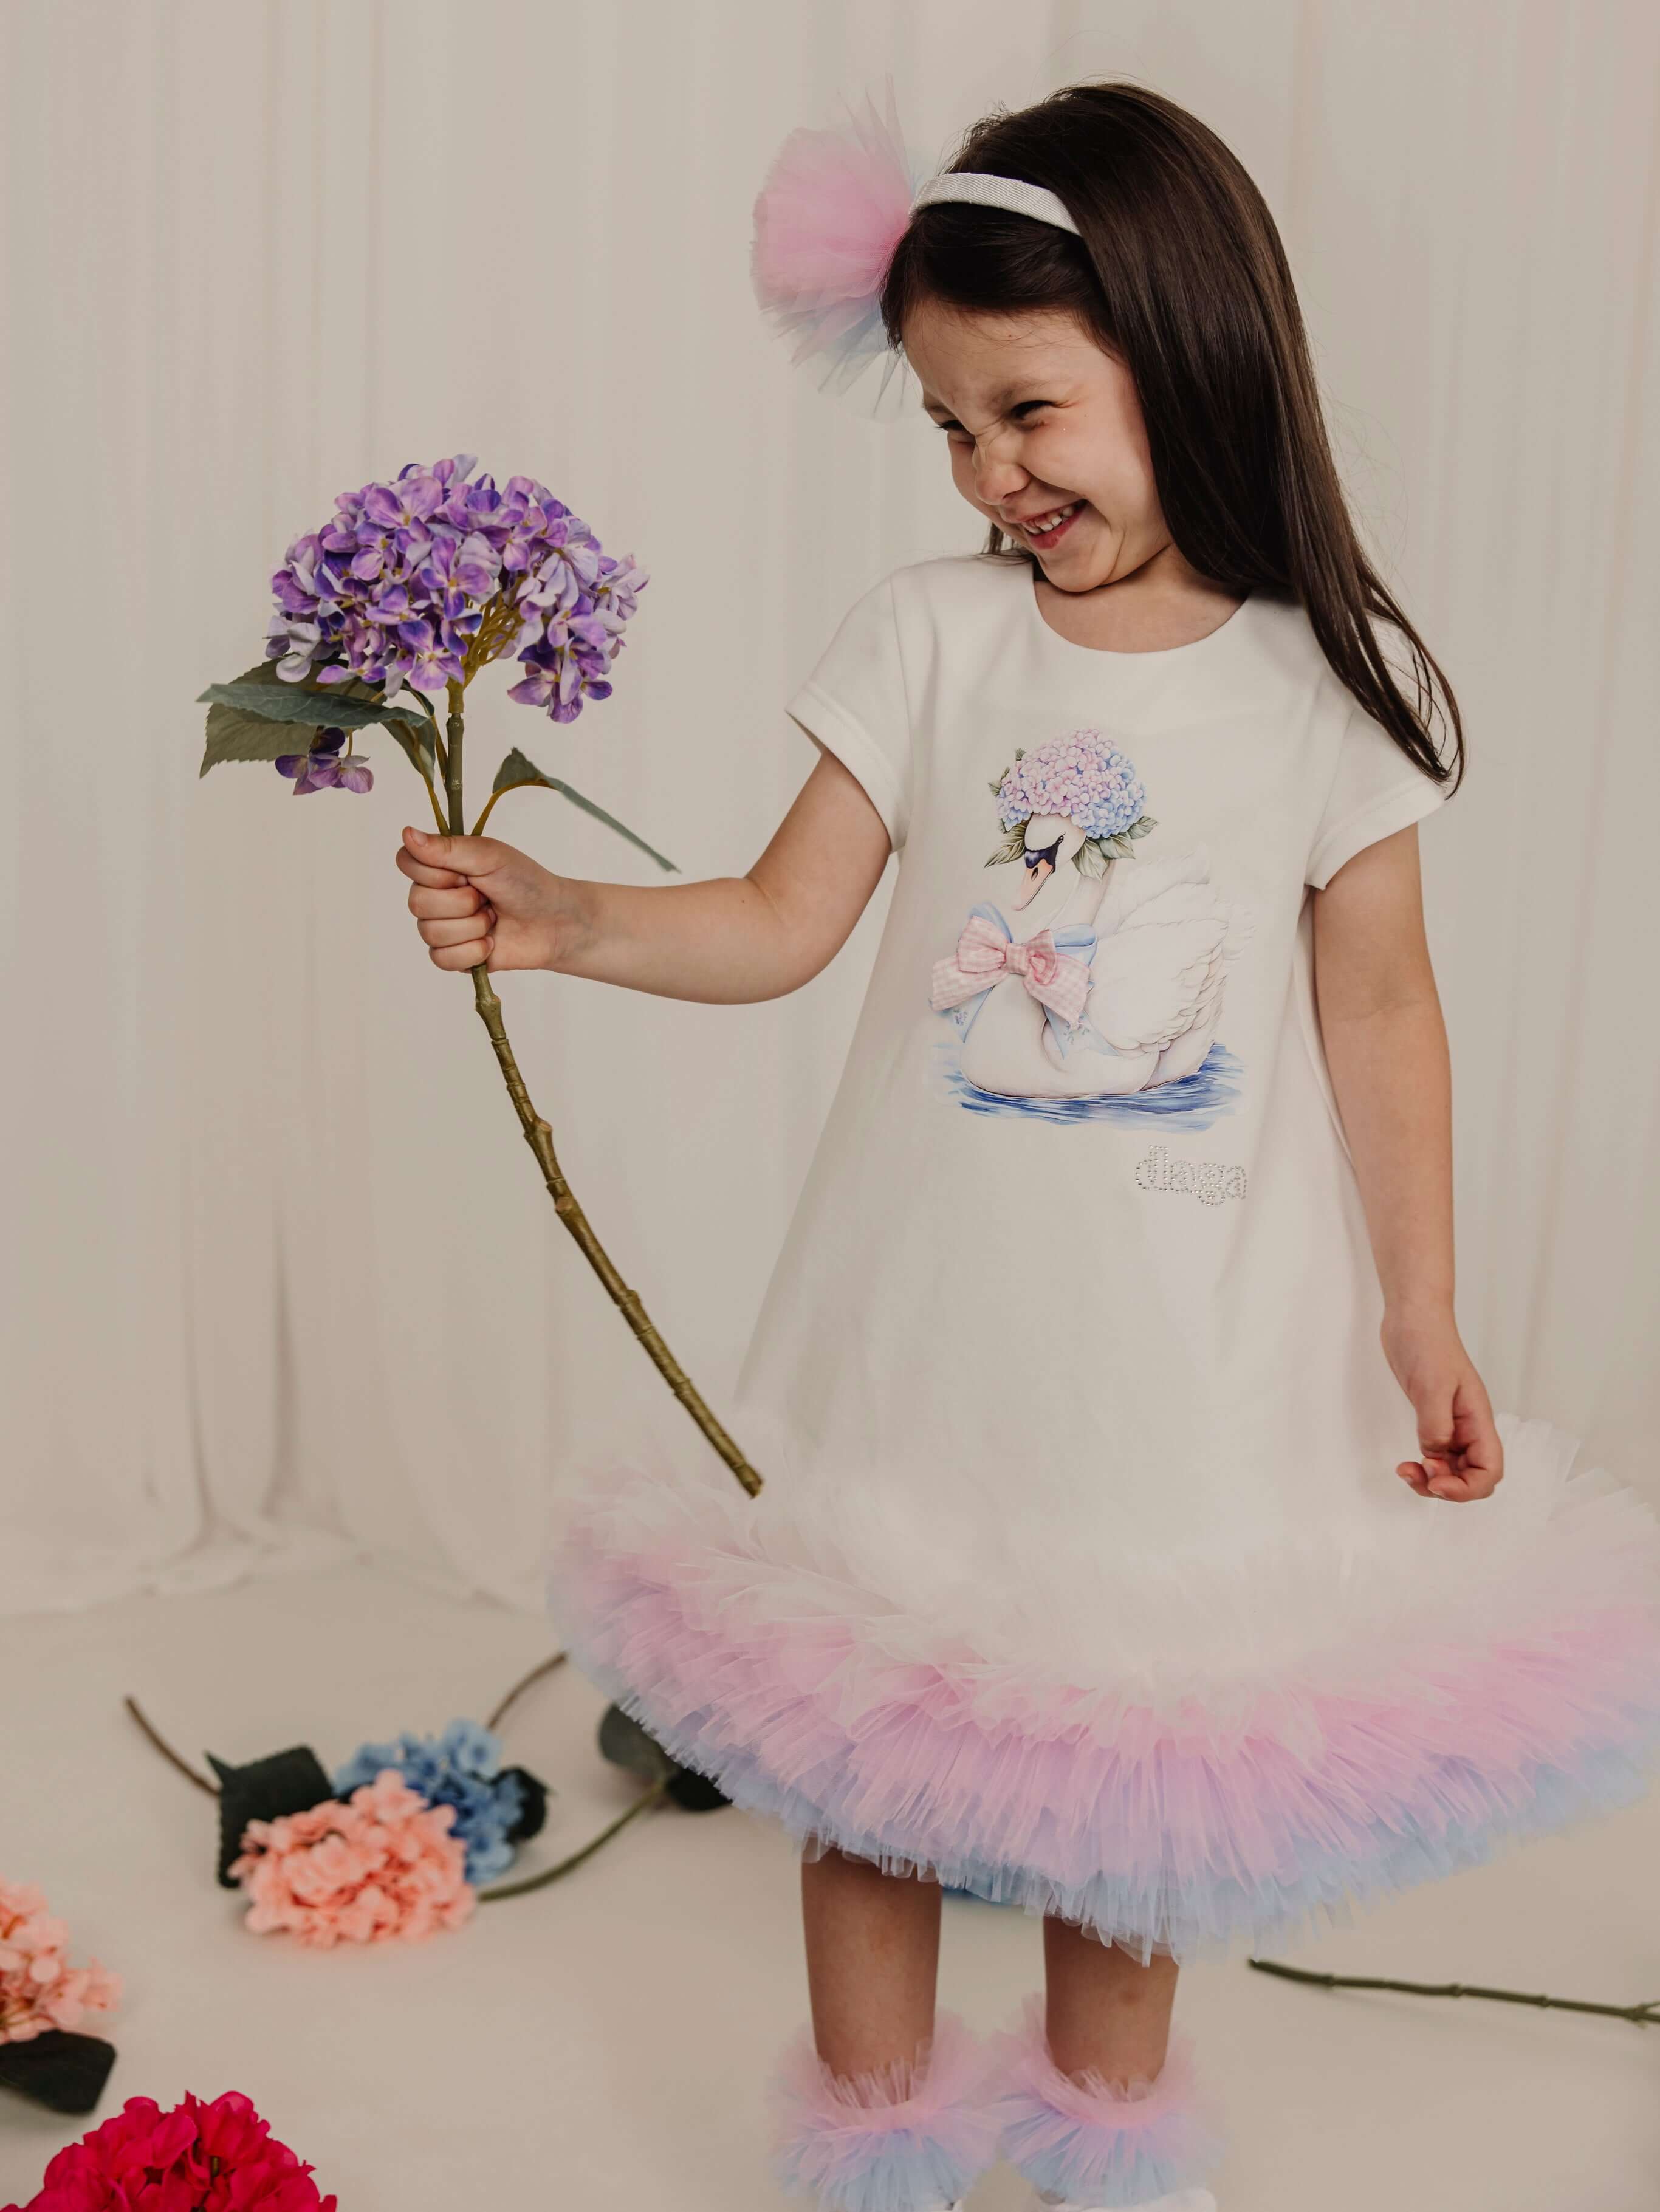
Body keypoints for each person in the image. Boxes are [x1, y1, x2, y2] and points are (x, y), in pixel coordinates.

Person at [393, 82, 1660, 2212]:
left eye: (1030, 412)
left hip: (1181, 1359)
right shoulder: (931, 635)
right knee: (869, 1746)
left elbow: (1378, 1009)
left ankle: (1099, 2151)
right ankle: (873, 2147)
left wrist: (1420, 1309)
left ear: (1185, 353)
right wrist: (569, 918)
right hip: (927, 1328)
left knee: (1127, 1760)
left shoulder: (1324, 684)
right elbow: (783, 918)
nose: (991, 474)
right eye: (950, 427)